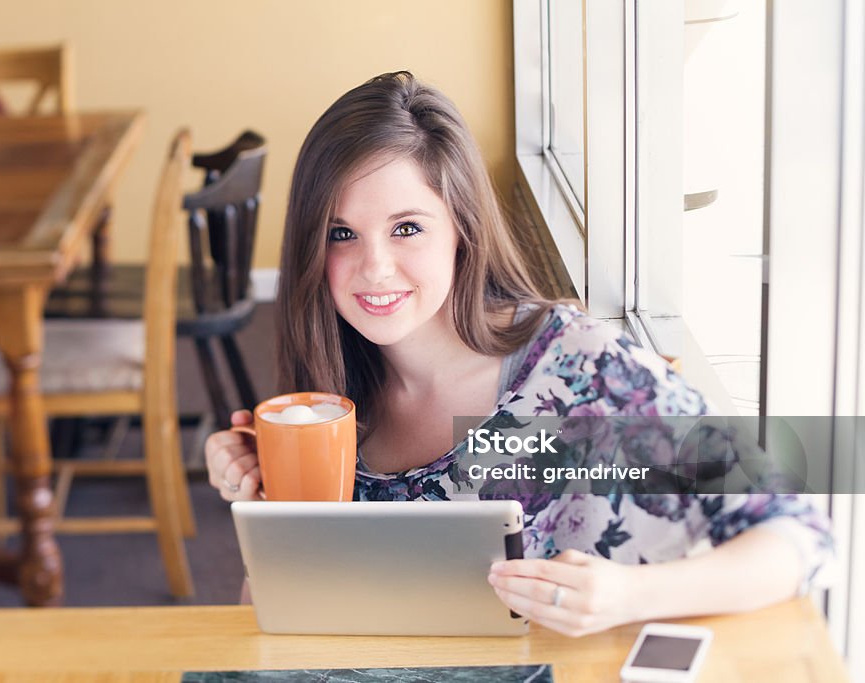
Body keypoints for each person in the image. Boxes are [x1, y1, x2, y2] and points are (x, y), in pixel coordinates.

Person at [205, 71, 832, 636]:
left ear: (462, 230)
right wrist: (263, 504)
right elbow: (277, 614)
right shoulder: (330, 386)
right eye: (341, 234)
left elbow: (796, 536)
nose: (373, 268)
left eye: (407, 227)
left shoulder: (580, 372)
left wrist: (628, 596)